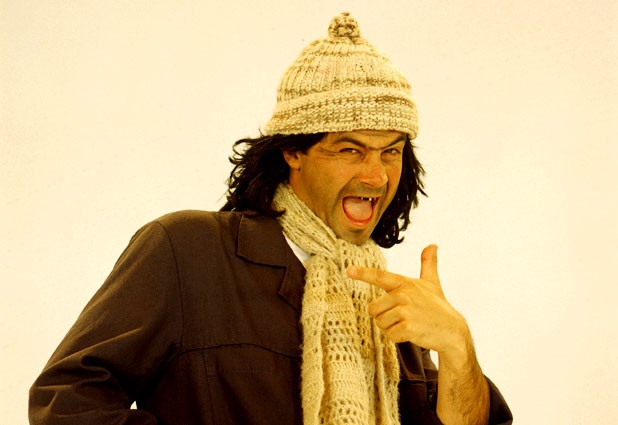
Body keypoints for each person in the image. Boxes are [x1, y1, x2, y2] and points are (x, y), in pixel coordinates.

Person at [29, 12, 513, 425]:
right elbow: (67, 402)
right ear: (292, 152)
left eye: (391, 151)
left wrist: (456, 344)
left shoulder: (388, 304)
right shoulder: (188, 249)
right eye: (350, 150)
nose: (377, 175)